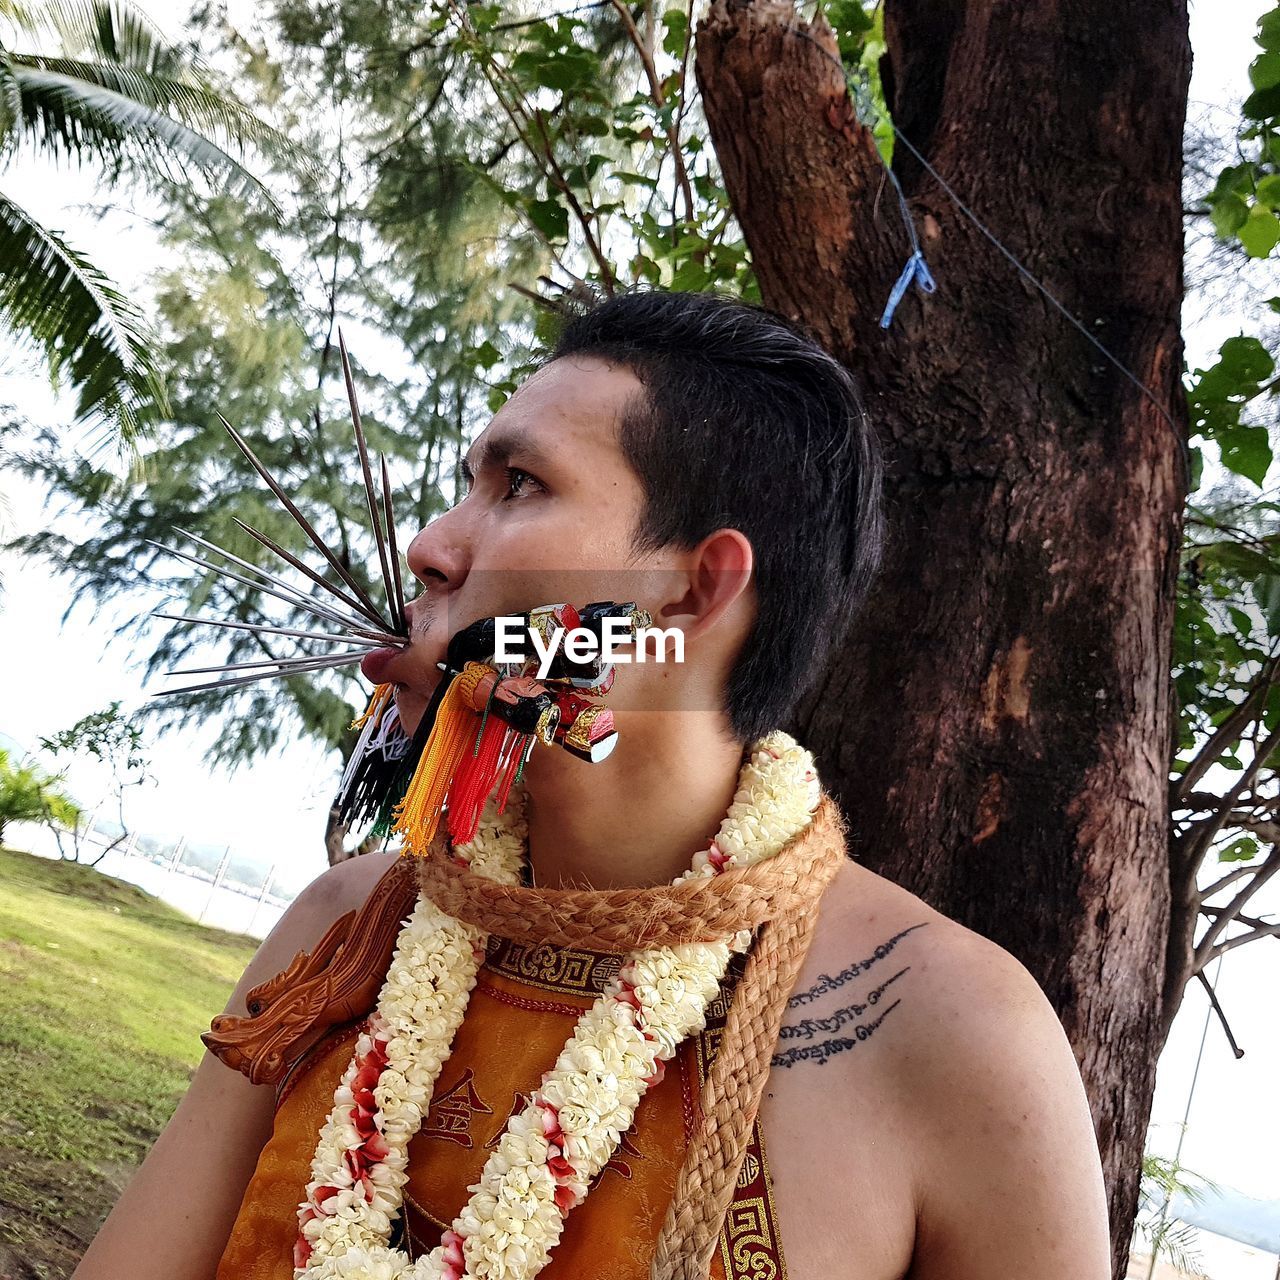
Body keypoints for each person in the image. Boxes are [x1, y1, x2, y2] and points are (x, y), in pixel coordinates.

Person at [74, 288, 1112, 1280]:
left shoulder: (950, 1030)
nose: (431, 546)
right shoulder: (345, 925)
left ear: (692, 586)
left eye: (518, 484)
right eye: (468, 482)